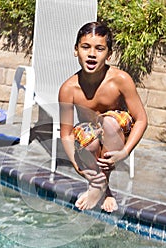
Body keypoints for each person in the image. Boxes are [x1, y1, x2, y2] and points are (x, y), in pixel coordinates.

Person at [59, 22, 148, 212]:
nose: (92, 54)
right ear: (76, 50)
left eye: (99, 49)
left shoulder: (120, 80)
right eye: (85, 47)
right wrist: (77, 166)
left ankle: (99, 188)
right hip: (90, 140)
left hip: (116, 132)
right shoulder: (68, 89)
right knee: (87, 137)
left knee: (109, 122)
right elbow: (66, 133)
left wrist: (125, 152)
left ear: (109, 55)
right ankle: (103, 188)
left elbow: (141, 119)